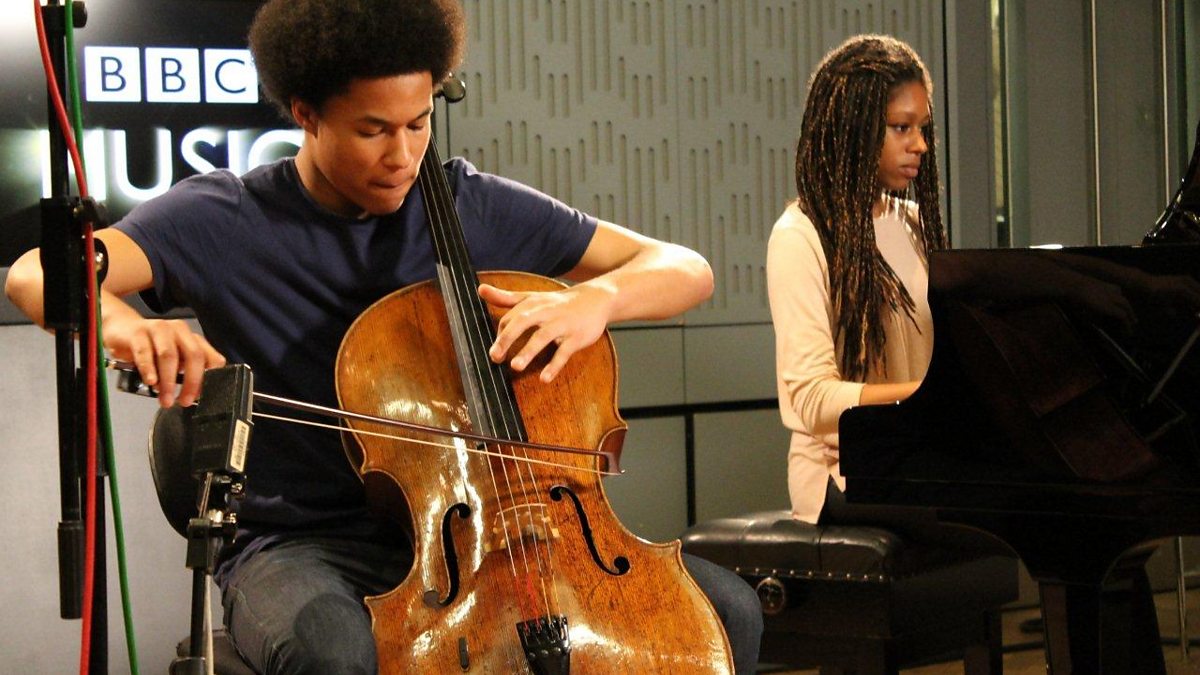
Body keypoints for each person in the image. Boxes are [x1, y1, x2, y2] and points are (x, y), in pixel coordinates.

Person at [6, 1, 762, 672]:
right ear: (306, 114)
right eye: (372, 130)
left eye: (418, 123)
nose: (403, 156)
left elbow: (684, 268)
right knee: (334, 652)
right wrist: (125, 324)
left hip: (487, 530)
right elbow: (36, 275)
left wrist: (598, 298)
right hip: (302, 544)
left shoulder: (467, 203)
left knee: (727, 610)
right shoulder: (223, 217)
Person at [766, 34, 947, 527]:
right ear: (854, 129)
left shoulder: (915, 225)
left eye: (922, 128)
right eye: (901, 127)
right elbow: (813, 400)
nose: (920, 144)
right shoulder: (800, 236)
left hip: (911, 461)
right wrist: (926, 397)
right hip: (841, 476)